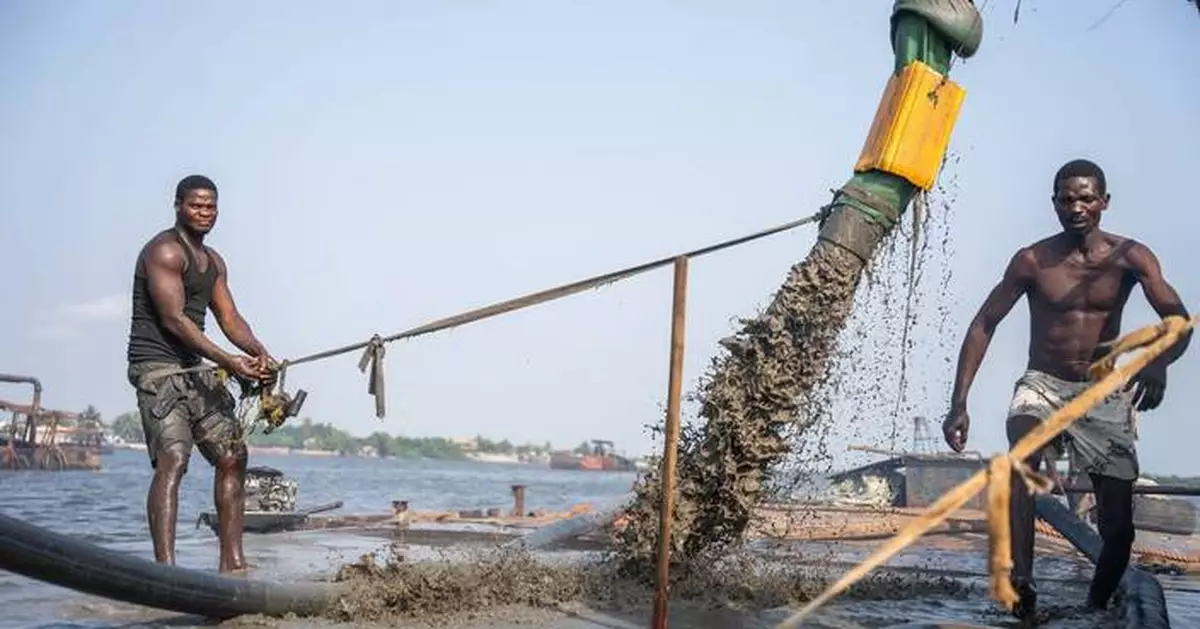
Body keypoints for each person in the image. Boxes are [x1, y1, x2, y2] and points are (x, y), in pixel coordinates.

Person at [941, 159, 1191, 618]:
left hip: (1101, 394)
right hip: (1043, 384)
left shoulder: (1132, 257)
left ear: (1104, 203)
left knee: (1118, 531)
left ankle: (1095, 608)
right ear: (1054, 203)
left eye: (1086, 198)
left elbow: (1179, 320)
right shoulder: (1033, 260)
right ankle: (1023, 583)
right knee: (1022, 453)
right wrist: (959, 403)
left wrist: (1158, 362)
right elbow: (984, 323)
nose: (1076, 207)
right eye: (1066, 199)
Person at [126, 174, 276, 574]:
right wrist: (228, 361)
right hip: (158, 370)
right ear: (178, 205)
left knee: (233, 455)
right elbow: (175, 321)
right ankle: (166, 571)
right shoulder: (163, 251)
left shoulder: (214, 263)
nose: (204, 213)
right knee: (173, 459)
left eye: (211, 207)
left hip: (196, 369)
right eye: (196, 205)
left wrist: (259, 352)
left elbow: (229, 318)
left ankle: (233, 565)